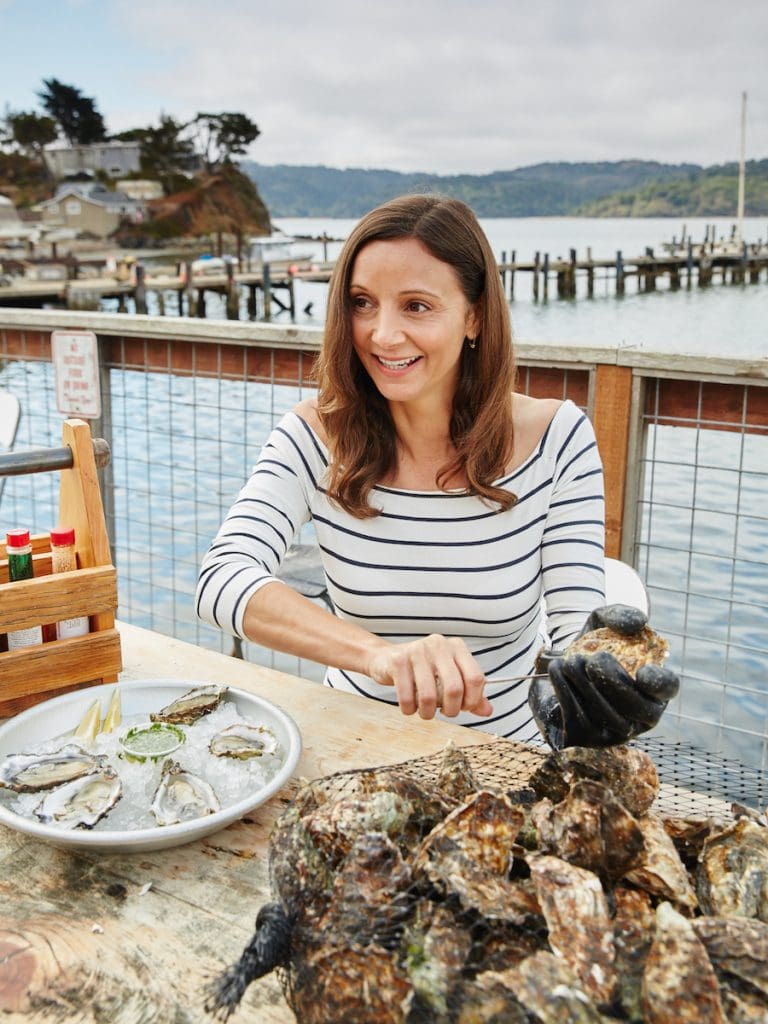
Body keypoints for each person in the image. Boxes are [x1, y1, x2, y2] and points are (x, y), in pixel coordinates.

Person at [196, 194, 677, 748]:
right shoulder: (313, 435)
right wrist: (378, 655)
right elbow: (221, 580)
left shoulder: (559, 438)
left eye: (416, 306)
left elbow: (573, 635)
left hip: (507, 758)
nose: (382, 334)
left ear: (474, 316)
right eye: (362, 302)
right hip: (351, 750)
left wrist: (602, 686)